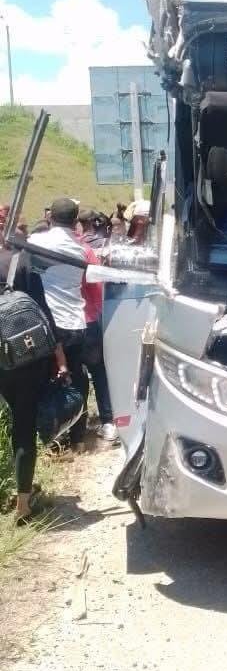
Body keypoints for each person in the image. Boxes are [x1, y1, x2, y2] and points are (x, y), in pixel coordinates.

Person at [0, 224, 67, 520]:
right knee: (23, 426)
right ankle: (24, 505)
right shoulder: (20, 261)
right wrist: (60, 357)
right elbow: (42, 313)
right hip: (22, 359)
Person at [27, 197, 90, 446]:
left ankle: (55, 436)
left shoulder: (38, 242)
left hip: (50, 324)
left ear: (49, 217)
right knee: (77, 376)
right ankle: (78, 434)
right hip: (77, 320)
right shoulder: (80, 248)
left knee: (50, 380)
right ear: (75, 222)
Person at [77, 210, 117, 443]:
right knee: (99, 372)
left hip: (59, 324)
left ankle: (76, 428)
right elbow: (98, 288)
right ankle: (108, 421)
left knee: (73, 374)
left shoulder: (44, 248)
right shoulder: (86, 251)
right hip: (89, 319)